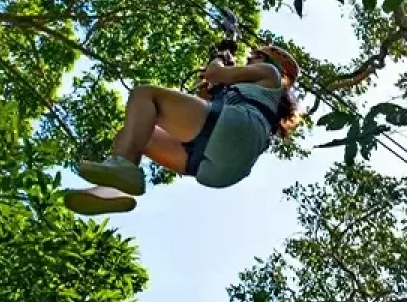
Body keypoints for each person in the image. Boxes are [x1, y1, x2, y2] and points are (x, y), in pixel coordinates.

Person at [63, 44, 302, 215]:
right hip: (221, 169)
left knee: (145, 95)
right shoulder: (257, 96)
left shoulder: (271, 74)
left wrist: (218, 59)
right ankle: (111, 191)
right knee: (134, 134)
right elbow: (201, 103)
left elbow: (215, 72)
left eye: (255, 56)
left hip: (233, 127)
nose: (249, 61)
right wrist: (210, 88)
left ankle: (123, 166)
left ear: (271, 63)